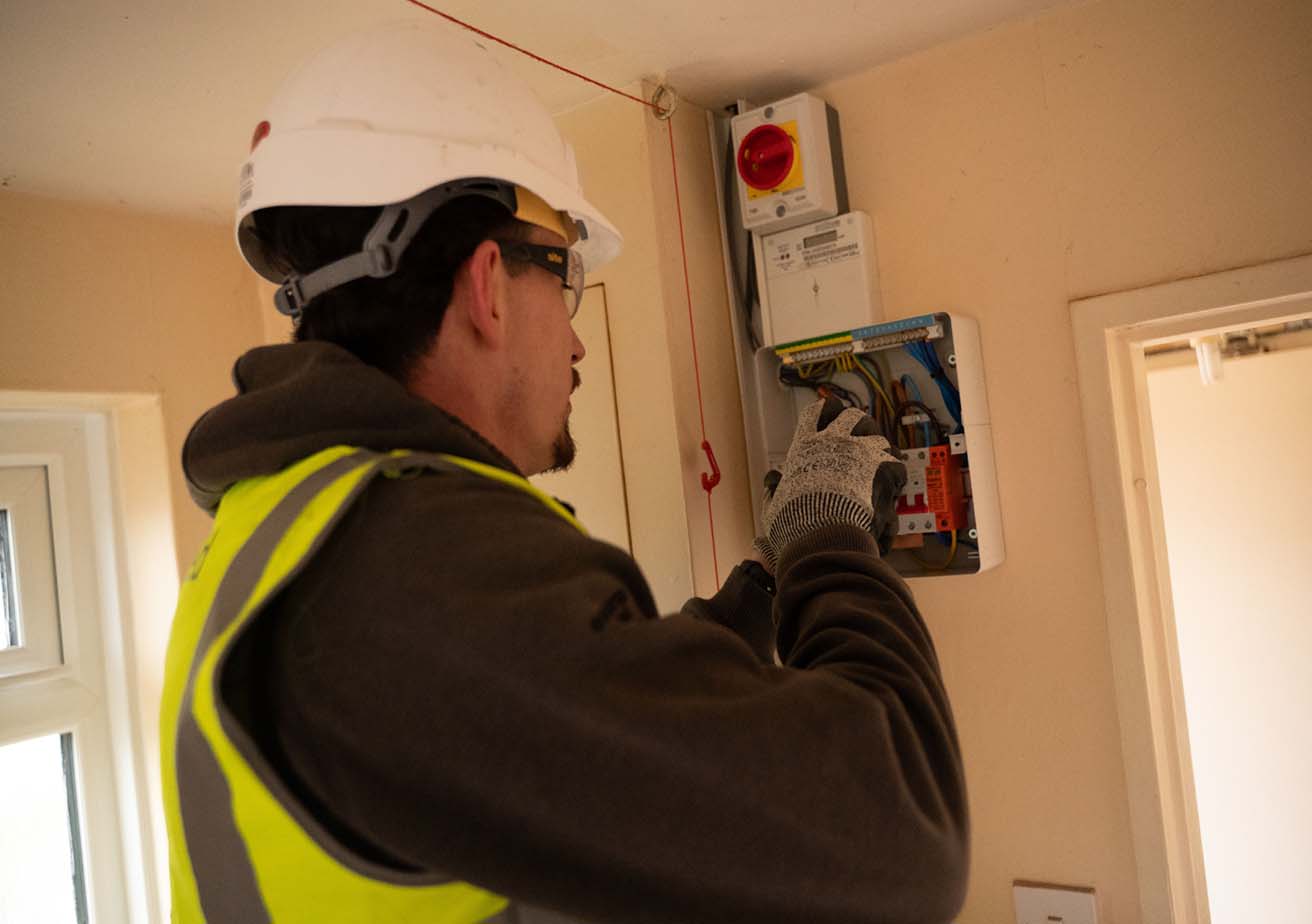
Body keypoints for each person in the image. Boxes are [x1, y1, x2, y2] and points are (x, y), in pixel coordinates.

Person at [160, 20, 969, 924]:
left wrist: (765, 582)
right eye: (565, 277)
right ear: (488, 287)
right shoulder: (421, 568)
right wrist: (828, 537)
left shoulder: (287, 523)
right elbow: (904, 841)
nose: (578, 342)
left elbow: (577, 720)